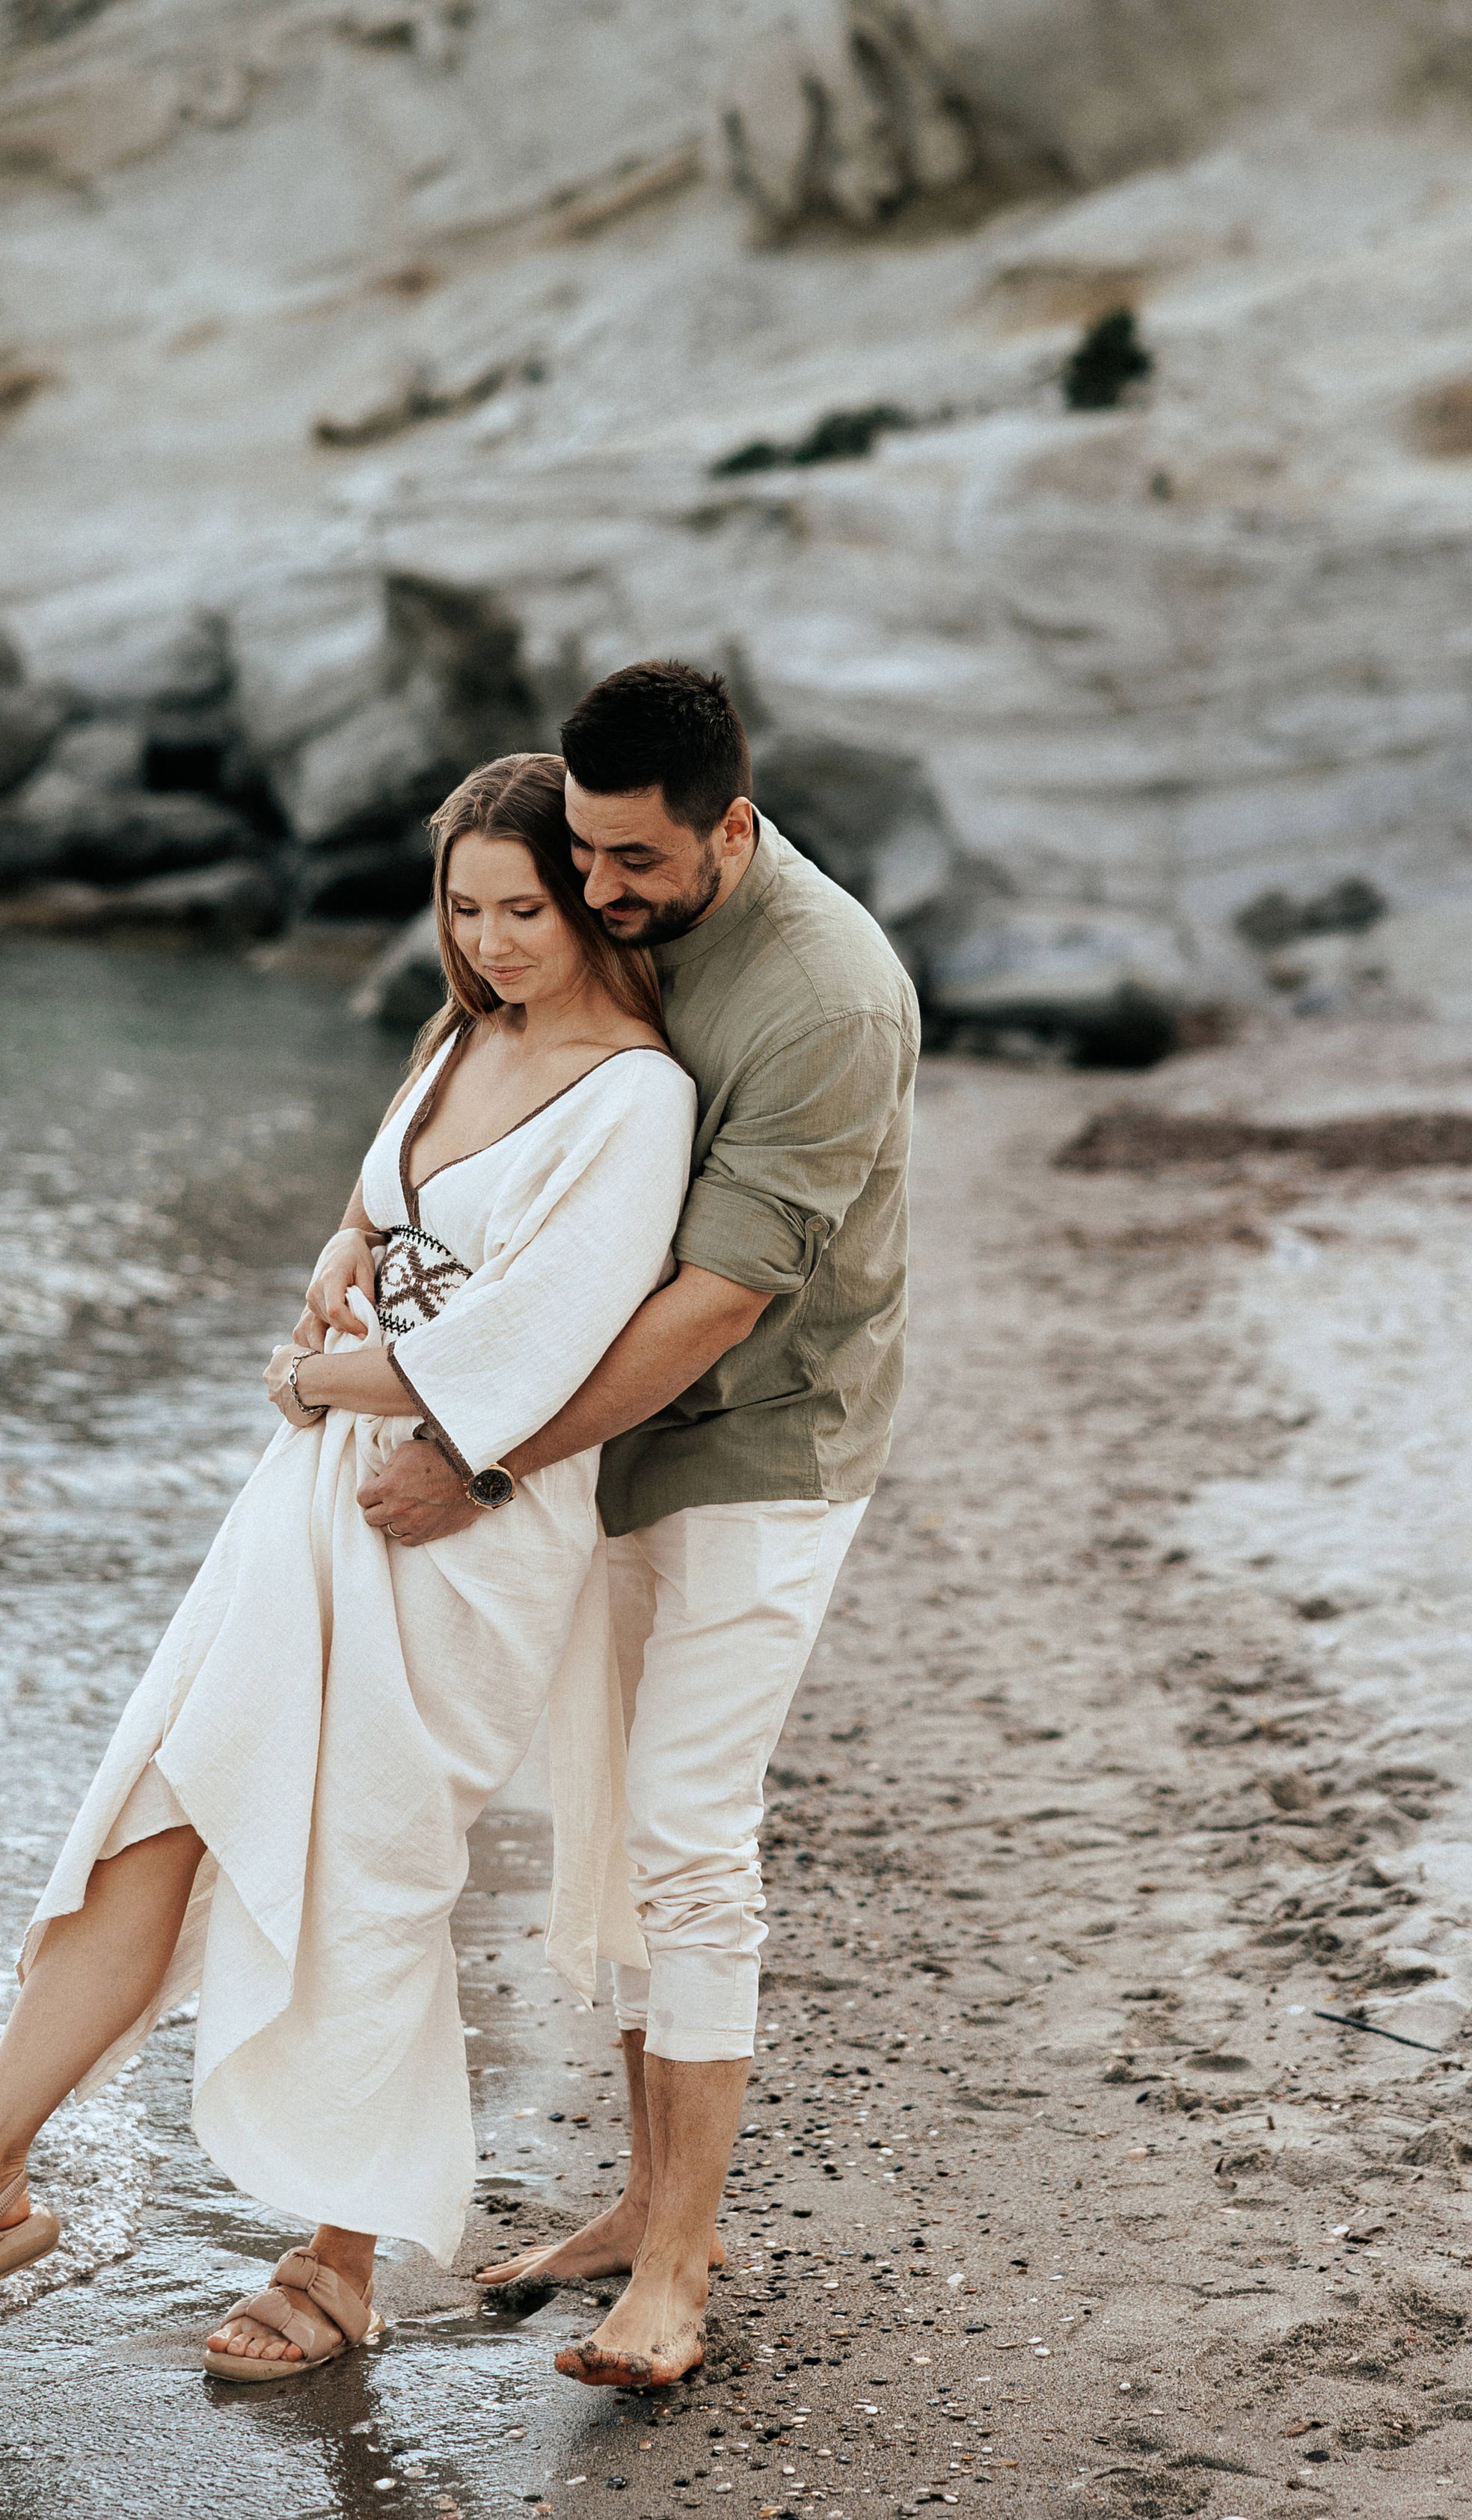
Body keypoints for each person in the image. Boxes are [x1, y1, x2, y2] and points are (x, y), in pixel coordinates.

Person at [0, 752, 697, 2379]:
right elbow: (369, 1225)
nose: (495, 938)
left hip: (461, 1521)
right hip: (307, 1494)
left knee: (369, 1865)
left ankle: (339, 2255)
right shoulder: (458, 1037)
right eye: (464, 906)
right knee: (162, 1791)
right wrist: (331, 1273)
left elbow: (532, 1339)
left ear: (586, 901)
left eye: (525, 905)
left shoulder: (637, 1094)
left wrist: (317, 1377)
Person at [344, 663, 919, 2388]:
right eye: (577, 858)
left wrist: (483, 1451)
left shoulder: (825, 997)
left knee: (684, 1830)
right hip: (610, 1439)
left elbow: (717, 1302)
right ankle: (636, 2195)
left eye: (628, 867)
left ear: (729, 829)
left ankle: (673, 2264)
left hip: (759, 1443)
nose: (598, 897)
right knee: (603, 1813)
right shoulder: (632, 893)